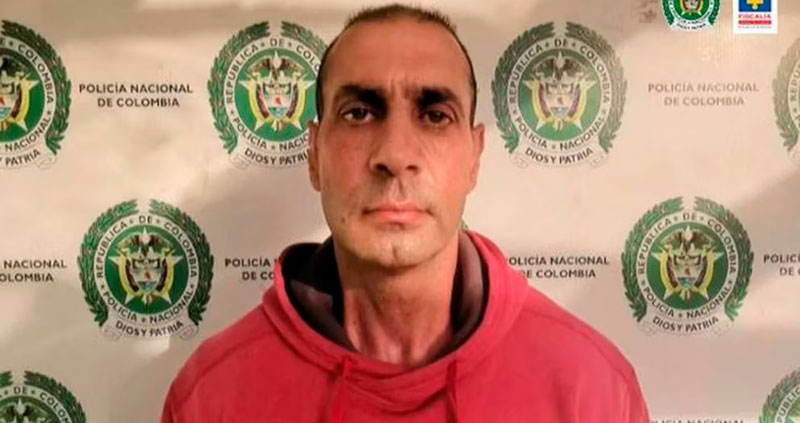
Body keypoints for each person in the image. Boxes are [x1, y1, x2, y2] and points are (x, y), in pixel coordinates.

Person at [161, 4, 649, 422]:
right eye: (358, 113)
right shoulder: (213, 395)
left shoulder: (589, 387)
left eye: (435, 116)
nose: (394, 155)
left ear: (474, 158)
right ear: (314, 154)